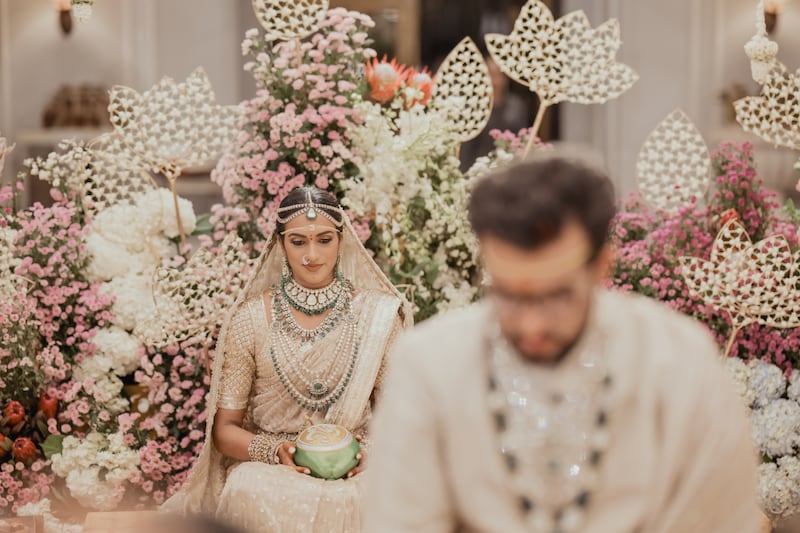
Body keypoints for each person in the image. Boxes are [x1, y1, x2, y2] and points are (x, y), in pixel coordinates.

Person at [363, 156, 764, 532]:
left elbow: (719, 516)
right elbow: (402, 518)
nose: (532, 324)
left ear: (601, 266)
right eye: (509, 295)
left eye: (557, 296)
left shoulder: (678, 362)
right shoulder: (430, 365)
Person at [163, 187, 412, 532]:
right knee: (247, 486)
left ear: (341, 240)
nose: (312, 254)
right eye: (298, 242)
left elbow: (399, 420)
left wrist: (366, 453)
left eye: (324, 240)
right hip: (273, 469)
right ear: (280, 244)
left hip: (357, 465)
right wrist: (277, 450)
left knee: (385, 489)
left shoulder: (379, 316)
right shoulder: (250, 320)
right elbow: (224, 431)